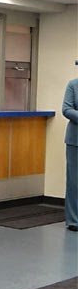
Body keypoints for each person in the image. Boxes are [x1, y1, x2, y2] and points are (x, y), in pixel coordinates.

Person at [62, 77, 78, 231]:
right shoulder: (73, 84)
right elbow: (66, 109)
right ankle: (74, 220)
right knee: (74, 182)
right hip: (75, 141)